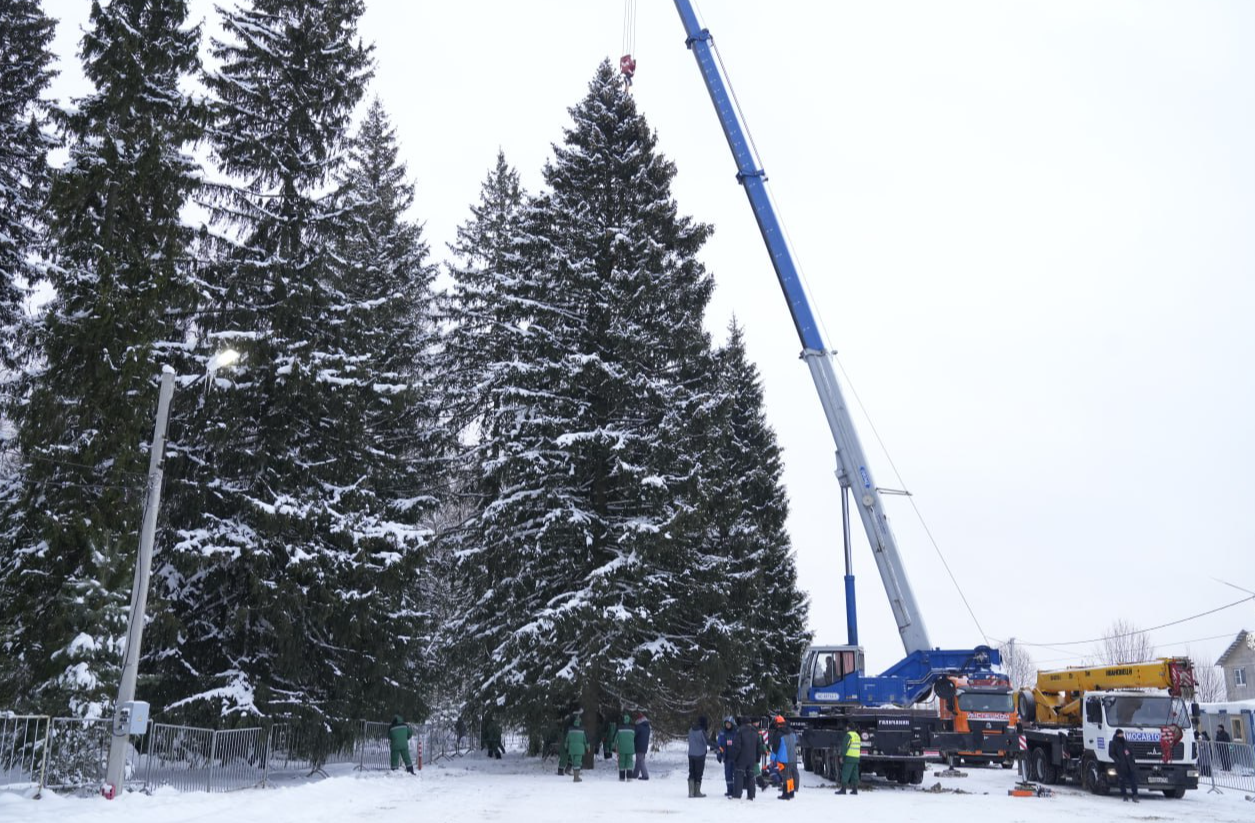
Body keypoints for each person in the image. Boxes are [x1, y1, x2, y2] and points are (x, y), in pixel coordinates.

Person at [729, 716, 766, 800]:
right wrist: (758, 758)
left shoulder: (740, 731)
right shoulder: (756, 731)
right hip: (752, 758)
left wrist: (734, 757)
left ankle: (737, 794)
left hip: (741, 758)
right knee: (751, 777)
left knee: (739, 775)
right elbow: (759, 746)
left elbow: (737, 746)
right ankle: (751, 795)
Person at [771, 716, 798, 800]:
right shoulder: (792, 731)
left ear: (777, 724)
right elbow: (796, 742)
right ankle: (791, 792)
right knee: (791, 776)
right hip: (793, 757)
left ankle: (785, 794)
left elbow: (775, 748)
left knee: (785, 776)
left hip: (783, 759)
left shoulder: (778, 734)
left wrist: (772, 759)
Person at [1109, 728, 1139, 802]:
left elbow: (1132, 751)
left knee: (1133, 781)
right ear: (1117, 734)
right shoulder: (1113, 743)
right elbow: (1111, 753)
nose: (1121, 735)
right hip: (1120, 766)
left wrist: (1133, 757)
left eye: (1122, 734)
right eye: (1120, 734)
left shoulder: (1126, 742)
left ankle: (1135, 795)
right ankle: (1124, 795)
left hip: (1130, 765)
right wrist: (1117, 760)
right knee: (1122, 781)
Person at [834, 722, 861, 795]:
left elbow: (845, 747)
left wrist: (842, 756)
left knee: (845, 773)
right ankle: (855, 790)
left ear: (848, 728)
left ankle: (843, 789)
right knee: (855, 774)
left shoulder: (848, 735)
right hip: (856, 757)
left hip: (849, 757)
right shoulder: (857, 736)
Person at [686, 716, 710, 798]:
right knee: (698, 773)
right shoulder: (702, 731)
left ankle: (691, 792)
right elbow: (707, 742)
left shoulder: (691, 730)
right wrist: (719, 748)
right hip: (700, 755)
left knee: (691, 772)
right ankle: (697, 792)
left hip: (691, 754)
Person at [715, 716, 737, 797]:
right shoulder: (722, 733)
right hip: (727, 757)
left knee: (736, 775)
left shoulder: (736, 732)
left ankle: (735, 790)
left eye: (729, 724)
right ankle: (729, 790)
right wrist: (719, 754)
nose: (728, 725)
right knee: (728, 775)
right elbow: (719, 745)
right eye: (726, 724)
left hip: (735, 757)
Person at [564, 716, 588, 782]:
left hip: (571, 749)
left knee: (574, 763)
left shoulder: (570, 729)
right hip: (579, 749)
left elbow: (567, 740)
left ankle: (575, 777)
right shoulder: (583, 730)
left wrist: (566, 747)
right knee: (577, 763)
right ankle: (576, 778)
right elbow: (586, 740)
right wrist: (588, 747)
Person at [613, 713, 636, 780]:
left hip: (621, 748)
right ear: (629, 720)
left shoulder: (619, 728)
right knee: (629, 761)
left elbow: (615, 738)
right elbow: (635, 738)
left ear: (623, 720)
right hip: (630, 748)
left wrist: (614, 746)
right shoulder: (633, 729)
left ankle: (622, 777)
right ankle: (629, 777)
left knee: (622, 761)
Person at [632, 711, 652, 780]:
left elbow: (634, 735)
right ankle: (635, 774)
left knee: (641, 761)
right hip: (644, 746)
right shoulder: (647, 727)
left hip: (639, 745)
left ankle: (645, 775)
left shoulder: (639, 726)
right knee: (638, 760)